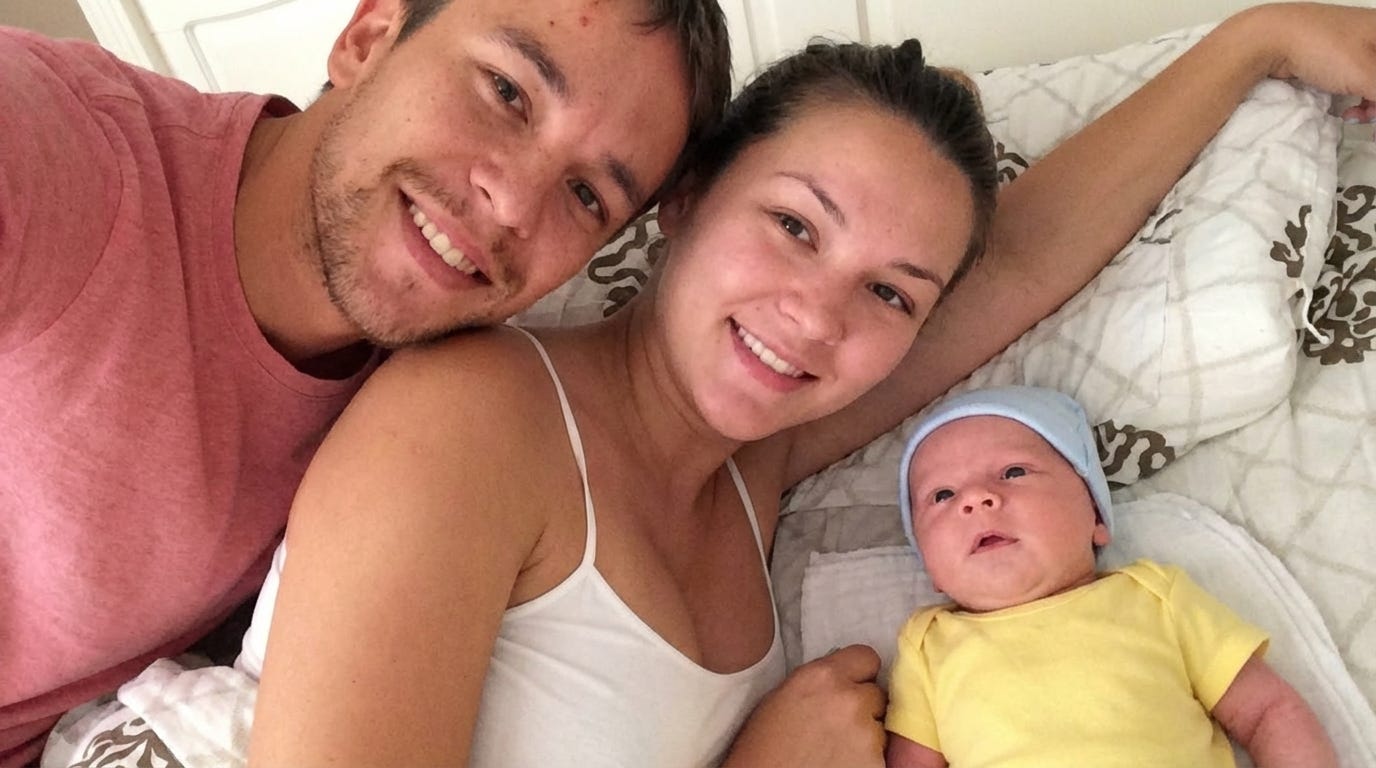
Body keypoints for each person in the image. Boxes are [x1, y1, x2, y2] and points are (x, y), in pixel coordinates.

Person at [242, 6, 1376, 766]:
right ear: (686, 198)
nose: (818, 316)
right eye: (792, 225)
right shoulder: (471, 421)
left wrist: (1255, 41)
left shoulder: (755, 470)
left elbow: (1017, 267)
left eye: (889, 293)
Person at [0, 1, 733, 764]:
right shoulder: (48, 148)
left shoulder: (436, 411)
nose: (512, 205)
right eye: (506, 92)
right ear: (368, 37)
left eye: (586, 196)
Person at [884, 386, 1337, 768]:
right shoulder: (928, 647)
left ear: (1095, 517)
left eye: (1013, 472)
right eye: (942, 495)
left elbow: (1267, 712)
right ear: (929, 565)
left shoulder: (1156, 597)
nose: (976, 498)